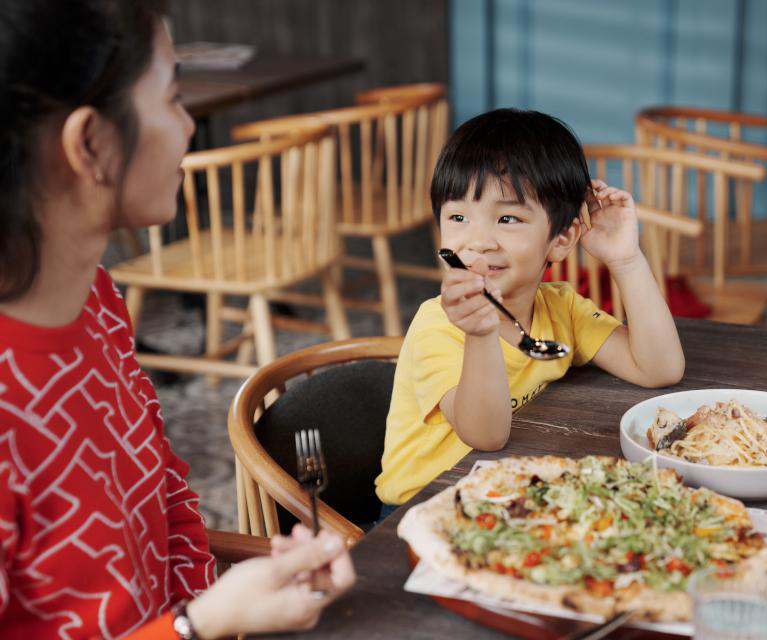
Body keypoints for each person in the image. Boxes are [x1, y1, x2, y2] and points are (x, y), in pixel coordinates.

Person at [0, 1, 354, 638]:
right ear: (89, 144)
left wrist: (234, 593)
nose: (189, 125)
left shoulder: (98, 301)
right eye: (173, 98)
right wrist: (199, 624)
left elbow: (167, 505)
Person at [374, 109, 685, 508]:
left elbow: (659, 368)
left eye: (507, 217)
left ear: (561, 239)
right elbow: (485, 435)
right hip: (421, 507)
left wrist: (625, 259)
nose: (478, 242)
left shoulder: (561, 309)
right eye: (457, 217)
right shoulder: (440, 327)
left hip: (505, 496)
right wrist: (482, 332)